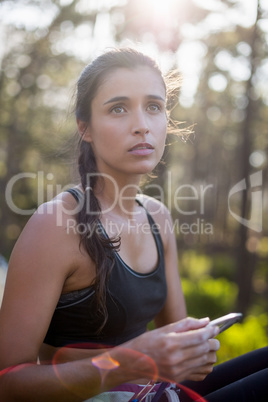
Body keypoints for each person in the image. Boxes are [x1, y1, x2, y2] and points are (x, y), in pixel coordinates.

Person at [0, 48, 267, 402]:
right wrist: (131, 362)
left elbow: (173, 345)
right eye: (118, 108)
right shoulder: (55, 225)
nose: (141, 124)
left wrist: (192, 350)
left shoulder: (157, 217)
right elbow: (7, 383)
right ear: (86, 128)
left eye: (154, 106)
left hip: (160, 392)